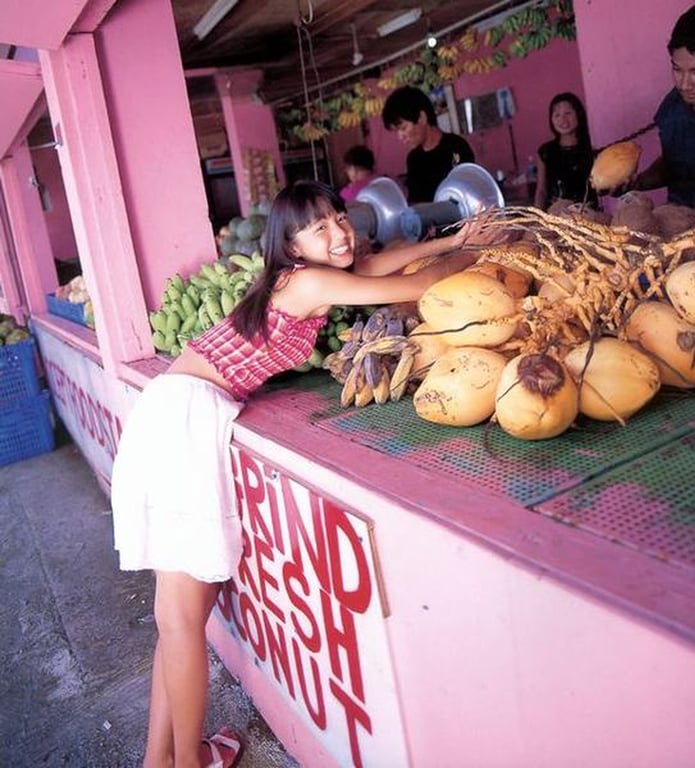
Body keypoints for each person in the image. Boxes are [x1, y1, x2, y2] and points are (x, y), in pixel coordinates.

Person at [110, 179, 488, 768]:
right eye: (319, 227)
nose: (339, 230)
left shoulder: (302, 278)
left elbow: (377, 261)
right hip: (182, 423)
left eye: (339, 216)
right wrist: (476, 251)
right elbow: (410, 285)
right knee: (183, 620)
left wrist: (457, 235)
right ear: (290, 245)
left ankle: (162, 762)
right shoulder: (308, 282)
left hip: (178, 415)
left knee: (178, 620)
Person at [628, 2, 695, 211]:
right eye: (677, 69)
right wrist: (638, 183)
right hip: (680, 226)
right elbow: (673, 163)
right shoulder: (672, 107)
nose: (684, 84)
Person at [381, 85, 475, 204]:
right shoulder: (413, 159)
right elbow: (417, 201)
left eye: (403, 128)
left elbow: (465, 192)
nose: (400, 136)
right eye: (397, 131)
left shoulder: (456, 148)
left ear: (422, 117)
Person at [533, 91, 598, 210]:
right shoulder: (546, 152)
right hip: (557, 216)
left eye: (568, 113)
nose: (562, 119)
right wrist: (538, 217)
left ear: (578, 114)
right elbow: (541, 191)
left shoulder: (591, 149)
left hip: (588, 217)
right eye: (556, 115)